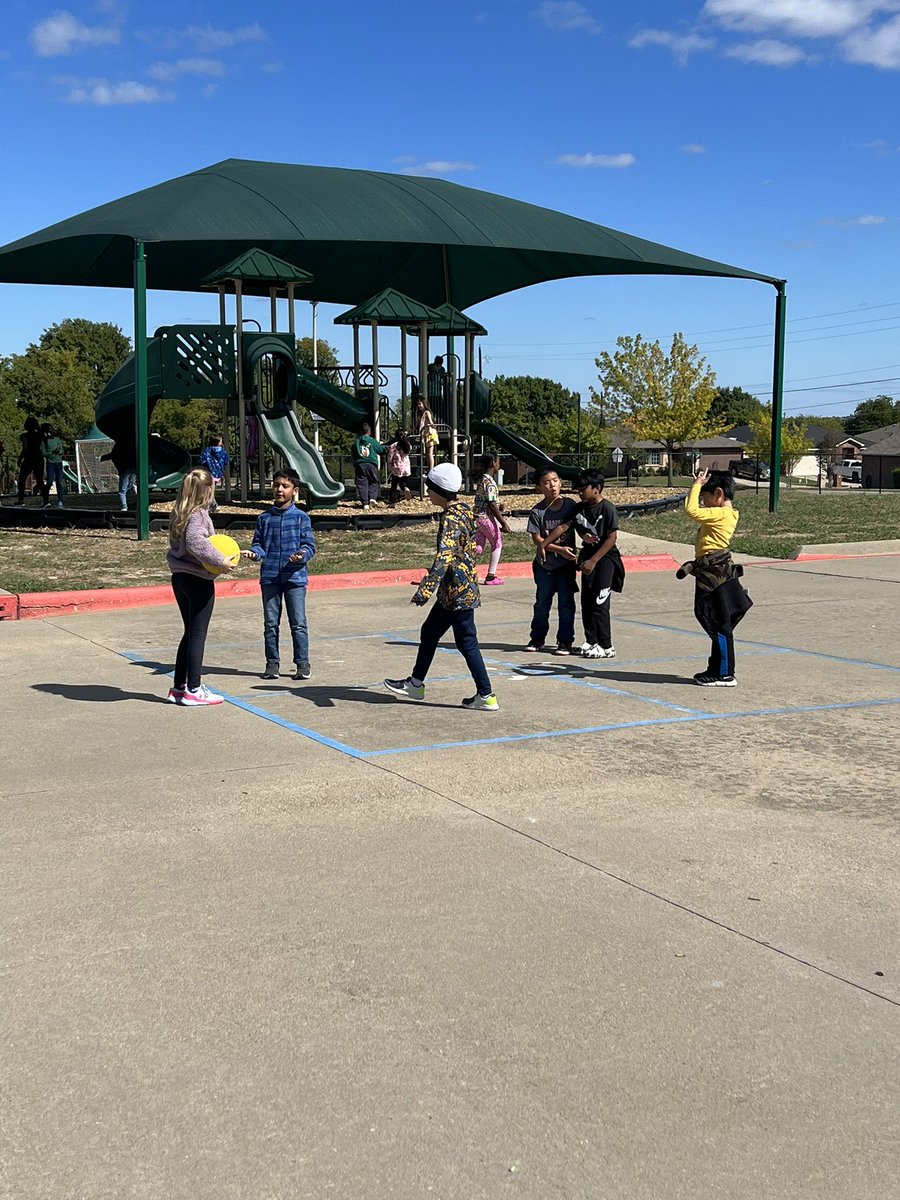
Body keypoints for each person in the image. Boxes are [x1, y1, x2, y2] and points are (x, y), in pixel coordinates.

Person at [384, 462, 498, 712]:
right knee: (430, 632)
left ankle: (486, 694)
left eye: (429, 488)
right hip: (454, 590)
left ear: (439, 491)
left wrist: (424, 591)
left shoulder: (451, 518)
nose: (428, 492)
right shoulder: (464, 511)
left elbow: (443, 557)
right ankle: (415, 683)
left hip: (458, 591)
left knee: (466, 642)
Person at [165, 467, 235, 706]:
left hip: (180, 578)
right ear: (206, 491)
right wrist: (220, 560)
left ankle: (179, 688)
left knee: (189, 632)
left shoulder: (180, 512)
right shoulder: (199, 515)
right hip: (198, 580)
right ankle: (194, 689)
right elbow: (196, 541)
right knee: (197, 634)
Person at [538, 468, 624, 659]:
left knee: (600, 602)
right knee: (587, 601)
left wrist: (594, 560)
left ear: (597, 488)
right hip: (588, 557)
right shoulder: (579, 508)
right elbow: (564, 526)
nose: (580, 493)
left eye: (583, 489)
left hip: (605, 559)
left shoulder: (607, 508)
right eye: (578, 489)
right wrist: (544, 544)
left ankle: (606, 645)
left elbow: (612, 538)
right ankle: (591, 641)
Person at [678, 468, 752, 687]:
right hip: (711, 571)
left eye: (705, 497)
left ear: (718, 494)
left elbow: (691, 510)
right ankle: (715, 668)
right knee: (714, 619)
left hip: (716, 575)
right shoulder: (722, 515)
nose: (703, 501)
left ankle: (725, 673)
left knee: (720, 623)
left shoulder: (722, 514)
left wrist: (696, 485)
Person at [243, 468, 317, 681]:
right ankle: (272, 664)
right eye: (276, 485)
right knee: (270, 624)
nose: (279, 490)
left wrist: (301, 555)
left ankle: (302, 664)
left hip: (295, 578)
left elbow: (309, 546)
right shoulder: (264, 518)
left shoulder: (301, 518)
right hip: (270, 578)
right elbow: (259, 545)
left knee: (298, 623)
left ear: (295, 490)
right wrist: (255, 553)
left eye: (285, 486)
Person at [525, 467, 578, 654]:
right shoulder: (537, 511)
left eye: (555, 481)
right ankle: (537, 638)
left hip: (566, 566)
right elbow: (537, 539)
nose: (552, 486)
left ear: (560, 482)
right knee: (542, 604)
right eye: (546, 483)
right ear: (539, 487)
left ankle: (565, 641)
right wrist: (559, 550)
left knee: (566, 604)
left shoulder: (570, 505)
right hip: (545, 566)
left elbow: (580, 526)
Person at [472, 452, 512, 585]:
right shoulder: (489, 482)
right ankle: (491, 576)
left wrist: (498, 506)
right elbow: (491, 504)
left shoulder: (482, 479)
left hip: (477, 517)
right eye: (498, 461)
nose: (499, 464)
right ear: (493, 463)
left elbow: (488, 501)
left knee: (478, 546)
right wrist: (503, 523)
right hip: (485, 517)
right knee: (497, 542)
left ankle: (459, 564)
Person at [352, 421, 386, 510]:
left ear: (360, 432)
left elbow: (353, 454)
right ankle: (372, 498)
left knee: (362, 483)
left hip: (360, 464)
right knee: (374, 481)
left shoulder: (356, 442)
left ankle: (365, 503)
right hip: (371, 464)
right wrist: (387, 450)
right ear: (369, 432)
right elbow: (381, 450)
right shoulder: (372, 441)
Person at [17, 417, 49, 507]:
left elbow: (25, 449)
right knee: (40, 480)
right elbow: (45, 443)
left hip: (29, 458)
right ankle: (46, 500)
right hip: (38, 457)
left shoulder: (24, 436)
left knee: (22, 478)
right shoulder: (40, 435)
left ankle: (21, 499)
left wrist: (20, 459)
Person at [200, 435, 229, 512]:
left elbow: (203, 460)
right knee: (211, 489)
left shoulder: (207, 450)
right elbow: (226, 461)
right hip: (218, 473)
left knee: (208, 490)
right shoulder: (223, 451)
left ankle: (213, 505)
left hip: (208, 472)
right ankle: (211, 505)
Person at [40, 424, 65, 508]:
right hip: (50, 463)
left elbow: (62, 450)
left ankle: (60, 500)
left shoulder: (57, 439)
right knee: (49, 481)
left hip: (59, 462)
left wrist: (59, 452)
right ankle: (45, 499)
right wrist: (52, 452)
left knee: (59, 482)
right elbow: (44, 453)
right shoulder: (44, 442)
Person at [386, 430, 413, 506]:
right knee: (402, 482)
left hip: (397, 468)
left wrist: (389, 466)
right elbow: (409, 450)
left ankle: (392, 501)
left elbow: (390, 457)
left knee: (394, 485)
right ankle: (405, 488)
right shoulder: (407, 445)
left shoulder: (393, 446)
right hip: (406, 468)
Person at [414, 396, 439, 472]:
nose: (419, 406)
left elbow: (431, 422)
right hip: (426, 434)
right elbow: (416, 426)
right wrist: (409, 432)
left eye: (420, 404)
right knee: (427, 453)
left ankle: (431, 469)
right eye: (418, 404)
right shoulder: (421, 415)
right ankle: (429, 468)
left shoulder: (427, 412)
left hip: (430, 434)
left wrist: (433, 425)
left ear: (424, 404)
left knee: (430, 453)